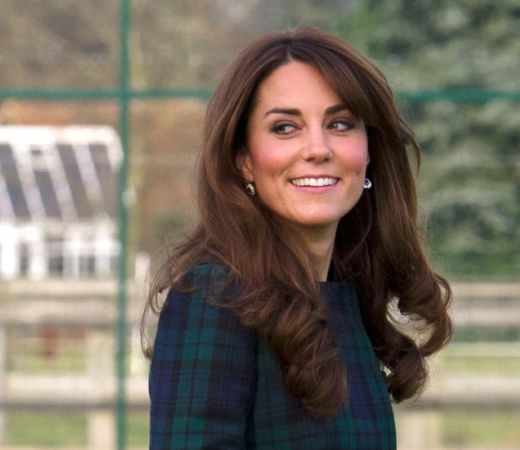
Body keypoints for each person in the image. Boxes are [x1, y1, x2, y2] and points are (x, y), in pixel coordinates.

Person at [144, 27, 452, 449]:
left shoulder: (348, 299)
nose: (318, 149)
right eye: (285, 128)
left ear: (369, 152)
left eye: (340, 124)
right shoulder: (214, 298)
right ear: (244, 160)